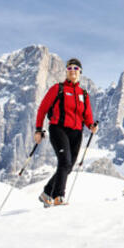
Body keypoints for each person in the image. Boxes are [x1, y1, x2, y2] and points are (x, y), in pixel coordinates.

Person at [34, 57, 98, 206]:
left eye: (76, 69)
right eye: (70, 68)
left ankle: (46, 193)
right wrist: (38, 129)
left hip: (76, 133)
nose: (73, 71)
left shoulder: (84, 94)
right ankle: (58, 197)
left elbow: (87, 115)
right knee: (64, 161)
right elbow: (43, 109)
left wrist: (91, 125)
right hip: (58, 129)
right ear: (66, 71)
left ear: (80, 72)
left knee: (68, 166)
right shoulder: (58, 88)